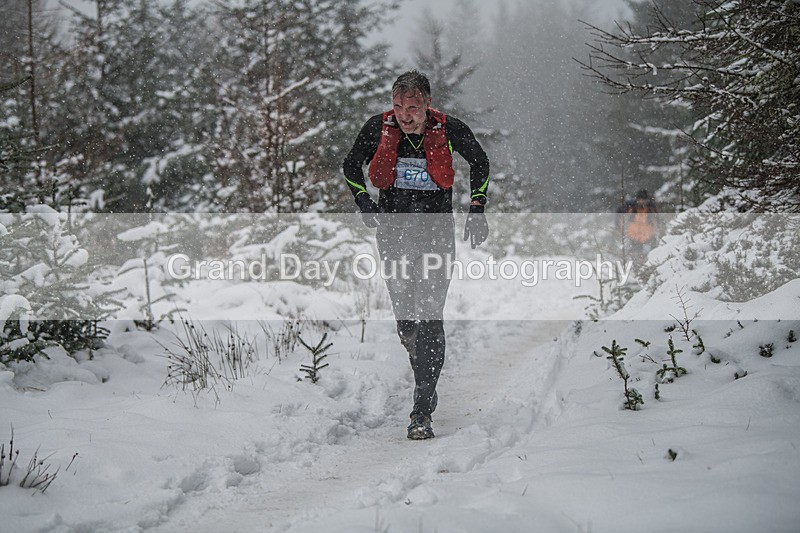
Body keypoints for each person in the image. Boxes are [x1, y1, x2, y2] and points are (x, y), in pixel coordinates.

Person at [342, 70, 490, 440]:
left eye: (412, 107)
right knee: (408, 323)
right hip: (393, 234)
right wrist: (363, 201)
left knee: (429, 316)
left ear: (427, 104)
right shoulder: (378, 128)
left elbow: (480, 162)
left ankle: (422, 407)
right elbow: (350, 165)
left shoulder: (448, 128)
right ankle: (425, 375)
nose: (404, 115)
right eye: (397, 106)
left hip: (436, 235)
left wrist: (477, 206)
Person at [616, 189, 660, 260]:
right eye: (640, 199)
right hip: (634, 236)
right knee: (636, 258)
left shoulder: (651, 207)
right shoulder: (630, 205)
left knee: (651, 258)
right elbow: (619, 212)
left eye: (644, 199)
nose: (642, 201)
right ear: (637, 199)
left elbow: (657, 220)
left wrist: (656, 232)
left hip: (648, 236)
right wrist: (618, 225)